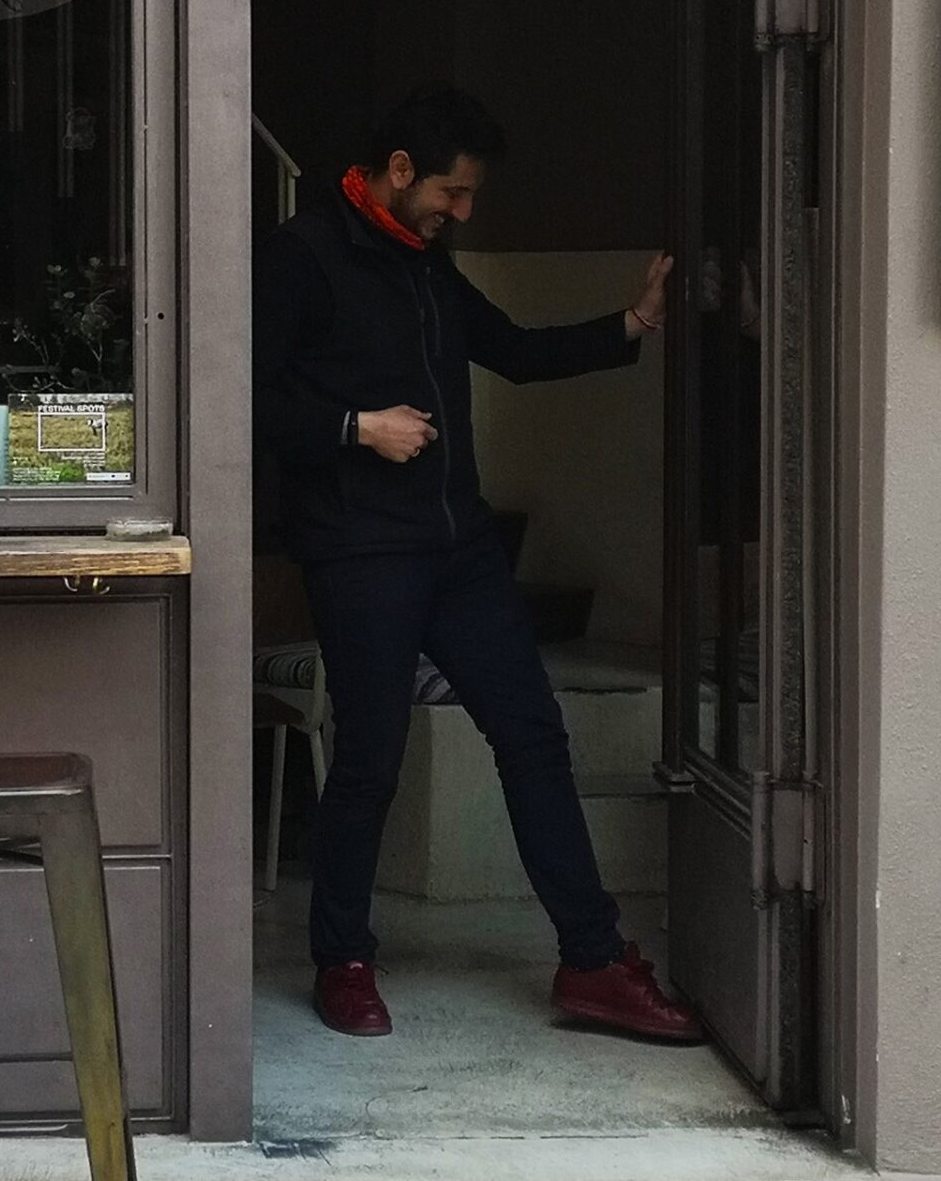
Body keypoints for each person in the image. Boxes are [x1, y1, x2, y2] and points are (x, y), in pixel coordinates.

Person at [252, 85, 701, 1043]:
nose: (461, 212)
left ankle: (591, 961)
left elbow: (515, 351)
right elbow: (244, 397)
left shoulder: (427, 262)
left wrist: (632, 322)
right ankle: (342, 960)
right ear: (399, 170)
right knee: (369, 756)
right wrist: (356, 426)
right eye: (451, 192)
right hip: (360, 549)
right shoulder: (305, 254)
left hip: (459, 547)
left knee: (533, 735)